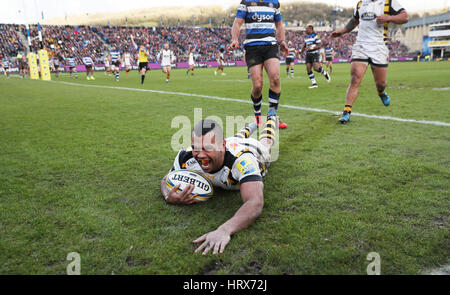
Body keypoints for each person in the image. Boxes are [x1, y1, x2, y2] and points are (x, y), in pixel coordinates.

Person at [160, 117, 279, 255]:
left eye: (207, 148)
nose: (200, 155)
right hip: (230, 142)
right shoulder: (186, 157)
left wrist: (224, 230)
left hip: (254, 151)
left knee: (265, 142)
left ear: (222, 145)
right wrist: (168, 195)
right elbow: (165, 179)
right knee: (236, 137)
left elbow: (255, 202)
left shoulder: (242, 161)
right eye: (196, 148)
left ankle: (271, 119)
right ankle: (255, 123)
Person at [331, 0, 408, 124]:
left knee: (381, 83)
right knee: (355, 78)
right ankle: (346, 112)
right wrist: (342, 31)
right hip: (361, 45)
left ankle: (381, 92)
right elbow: (354, 21)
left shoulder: (388, 2)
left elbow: (405, 17)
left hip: (379, 46)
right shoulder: (361, 3)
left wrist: (388, 17)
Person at [230, 0, 289, 129]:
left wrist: (282, 41)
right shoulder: (246, 2)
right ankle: (258, 116)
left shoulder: (275, 3)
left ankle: (272, 117)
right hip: (252, 48)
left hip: (270, 46)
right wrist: (234, 39)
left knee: (275, 78)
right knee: (257, 85)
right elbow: (237, 22)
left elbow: (279, 25)